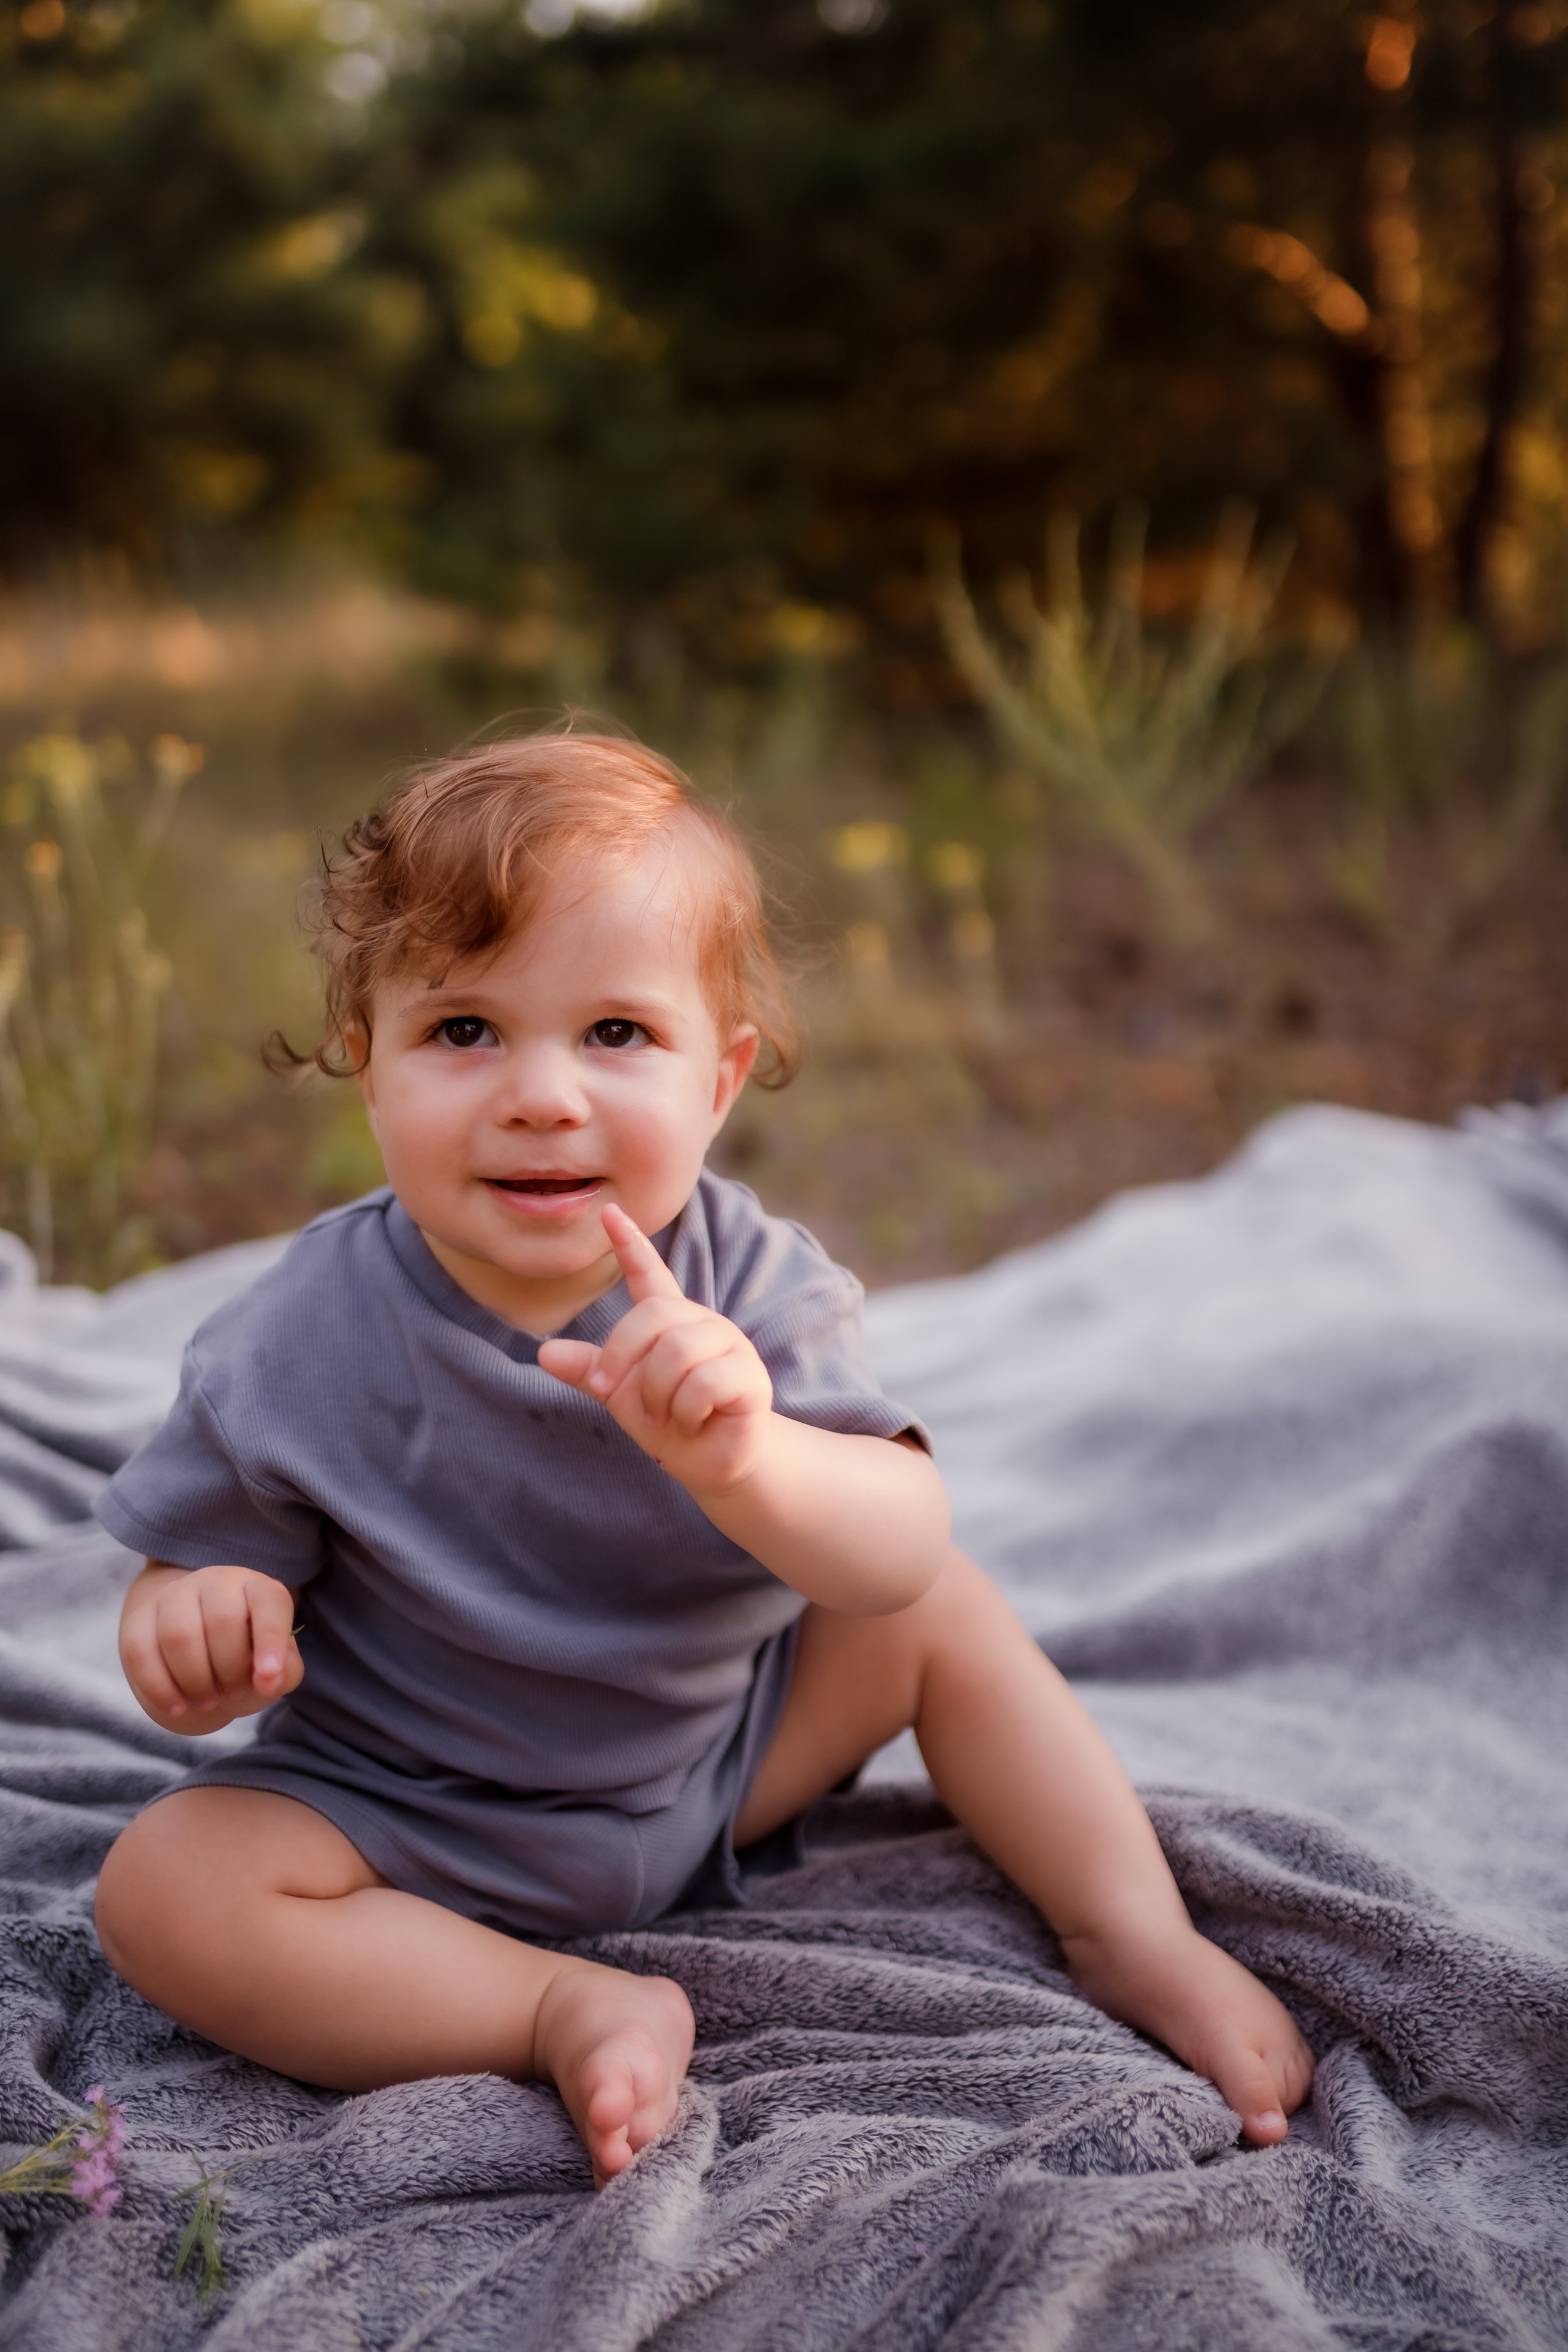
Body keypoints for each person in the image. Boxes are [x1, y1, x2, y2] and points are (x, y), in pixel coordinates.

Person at [93, 729, 1312, 2188]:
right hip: (408, 1817)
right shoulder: (293, 1336)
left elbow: (895, 1545)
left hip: (711, 1764)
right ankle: (556, 2004)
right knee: (163, 1892)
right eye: (464, 1031)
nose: (541, 1094)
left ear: (718, 1077)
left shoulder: (751, 1283)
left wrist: (749, 1460)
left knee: (937, 1609)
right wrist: (193, 1613)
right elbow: (197, 1556)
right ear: (368, 1067)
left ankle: (1133, 1931)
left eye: (615, 1035)